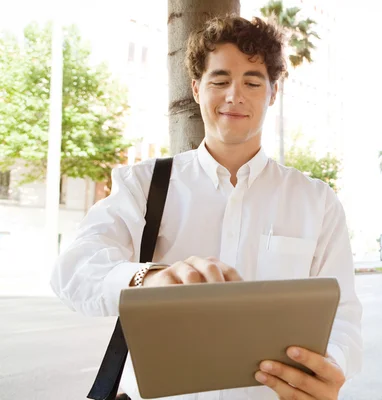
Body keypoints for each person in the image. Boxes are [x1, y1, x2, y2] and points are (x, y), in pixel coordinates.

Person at [50, 15, 362, 400]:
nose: (235, 95)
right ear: (197, 89)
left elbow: (343, 316)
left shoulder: (317, 201)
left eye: (252, 81)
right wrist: (148, 279)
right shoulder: (143, 184)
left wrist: (328, 368)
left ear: (273, 93)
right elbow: (73, 269)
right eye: (219, 81)